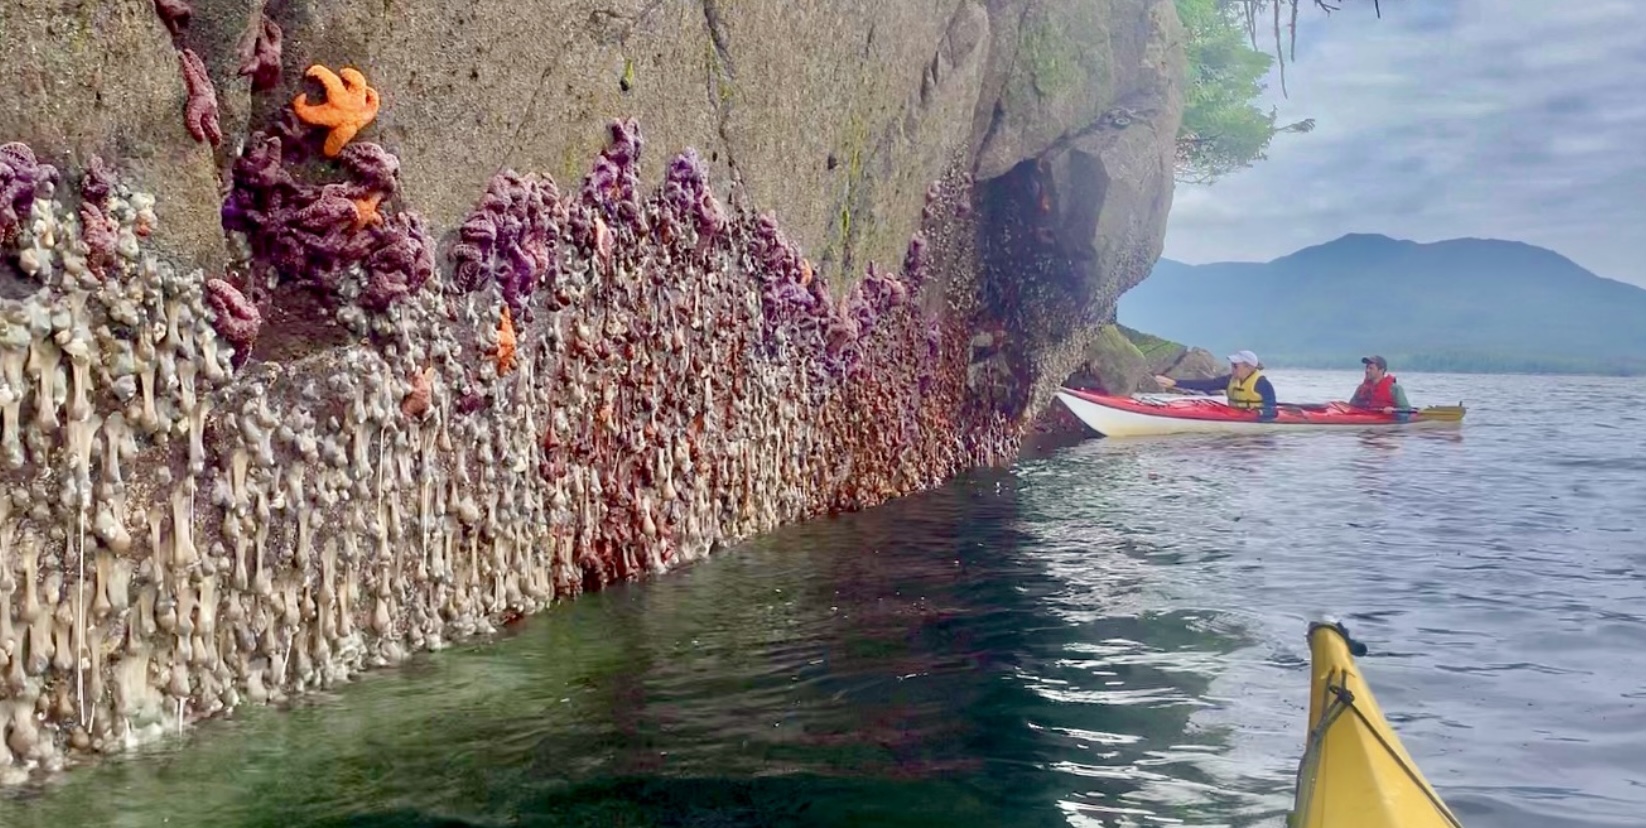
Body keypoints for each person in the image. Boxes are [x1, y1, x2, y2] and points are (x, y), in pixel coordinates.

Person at [1154, 350, 1277, 421]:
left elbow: (1272, 411)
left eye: (1235, 365)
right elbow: (1207, 384)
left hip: (1253, 429)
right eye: (1232, 365)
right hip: (1234, 414)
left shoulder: (1262, 384)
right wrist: (1175, 383)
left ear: (1248, 367)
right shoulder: (1230, 380)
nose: (1232, 368)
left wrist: (1256, 414)